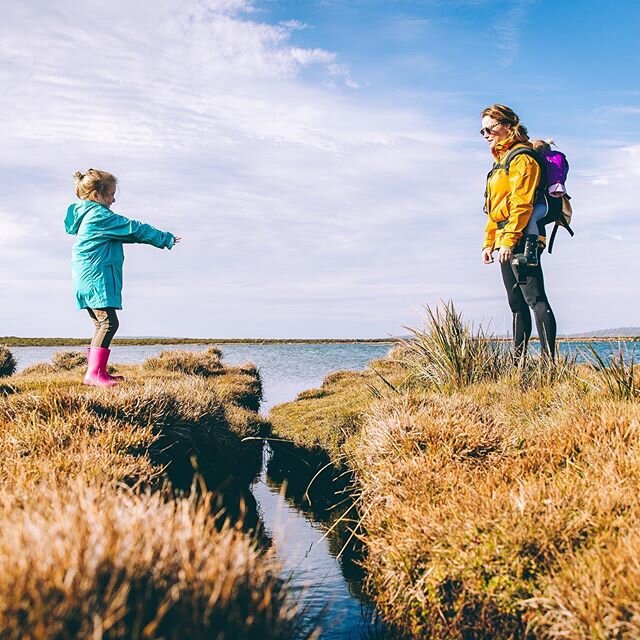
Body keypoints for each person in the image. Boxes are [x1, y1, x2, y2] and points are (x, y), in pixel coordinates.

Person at [65, 169, 181, 386]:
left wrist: (158, 240)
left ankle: (98, 372)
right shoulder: (100, 216)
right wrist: (165, 238)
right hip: (96, 277)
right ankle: (93, 374)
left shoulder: (88, 215)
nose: (113, 198)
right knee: (108, 323)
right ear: (96, 195)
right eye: (110, 194)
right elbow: (133, 228)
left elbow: (129, 235)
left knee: (101, 324)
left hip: (86, 278)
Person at [480, 104, 557, 361]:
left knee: (535, 299)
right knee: (516, 304)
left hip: (523, 236)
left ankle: (549, 365)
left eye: (490, 128)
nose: (487, 134)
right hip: (505, 238)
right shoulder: (499, 162)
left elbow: (522, 204)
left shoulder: (522, 158)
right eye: (482, 131)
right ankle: (518, 364)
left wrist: (510, 241)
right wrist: (488, 243)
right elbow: (494, 209)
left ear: (508, 125)